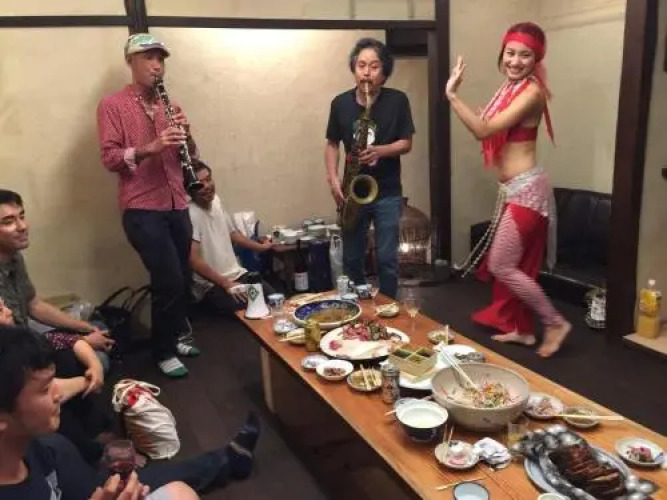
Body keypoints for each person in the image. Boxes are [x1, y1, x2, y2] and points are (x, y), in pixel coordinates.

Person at [0, 326, 261, 500]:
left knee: (178, 492)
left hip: (67, 466)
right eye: (46, 389)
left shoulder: (43, 449)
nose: (58, 393)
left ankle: (228, 460)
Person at [446, 22, 571, 357]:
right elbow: (489, 122)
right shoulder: (510, 88)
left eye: (525, 55)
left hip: (528, 192)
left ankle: (555, 322)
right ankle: (523, 330)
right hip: (515, 190)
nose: (515, 61)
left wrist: (452, 95)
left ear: (537, 58)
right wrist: (477, 115)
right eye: (510, 53)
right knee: (516, 263)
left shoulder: (531, 93)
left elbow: (483, 130)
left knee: (502, 265)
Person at [96, 33, 200, 378]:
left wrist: (187, 136)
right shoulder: (112, 105)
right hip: (142, 206)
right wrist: (150, 147)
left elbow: (191, 154)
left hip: (176, 201)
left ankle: (176, 335)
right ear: (131, 61)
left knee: (183, 276)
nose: (157, 66)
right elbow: (110, 158)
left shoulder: (172, 106)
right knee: (167, 279)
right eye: (148, 58)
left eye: (160, 59)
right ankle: (163, 351)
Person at [325, 38, 415, 299]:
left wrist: (380, 151)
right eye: (361, 65)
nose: (367, 72)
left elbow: (406, 143)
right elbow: (332, 144)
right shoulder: (340, 104)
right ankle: (359, 306)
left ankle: (389, 307)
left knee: (387, 258)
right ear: (354, 69)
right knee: (352, 258)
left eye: (374, 67)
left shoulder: (397, 101)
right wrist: (332, 179)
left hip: (387, 191)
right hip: (353, 192)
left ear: (384, 73)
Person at [0, 190, 114, 367]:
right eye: (8, 222)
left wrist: (84, 327)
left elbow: (33, 305)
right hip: (11, 352)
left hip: (24, 331)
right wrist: (80, 341)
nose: (22, 226)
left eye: (21, 217)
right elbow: (13, 342)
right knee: (95, 358)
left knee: (98, 327)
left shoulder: (14, 257)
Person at [0, 298, 112, 464]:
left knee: (66, 357)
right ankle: (90, 451)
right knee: (53, 407)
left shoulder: (19, 340)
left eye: (5, 306)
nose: (9, 311)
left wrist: (95, 366)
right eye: (0, 310)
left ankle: (96, 432)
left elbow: (62, 339)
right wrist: (85, 382)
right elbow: (51, 388)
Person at [188, 161, 274, 316]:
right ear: (190, 189)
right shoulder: (190, 213)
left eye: (208, 179)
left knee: (274, 298)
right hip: (212, 285)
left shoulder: (216, 201)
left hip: (238, 275)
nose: (207, 186)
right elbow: (193, 260)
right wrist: (225, 283)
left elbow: (233, 234)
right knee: (254, 308)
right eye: (200, 184)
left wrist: (262, 247)